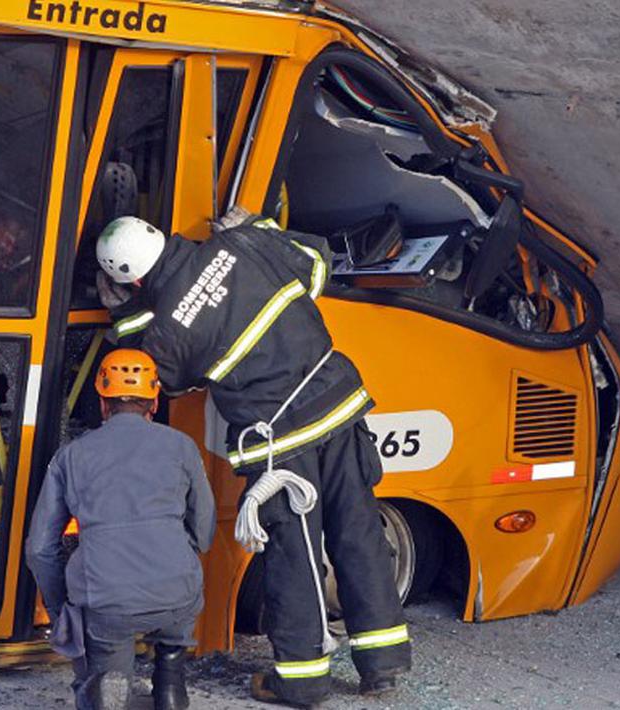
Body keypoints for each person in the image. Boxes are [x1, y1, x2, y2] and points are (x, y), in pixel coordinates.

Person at [96, 210, 411, 707]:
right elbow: (317, 267)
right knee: (359, 532)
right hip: (337, 406)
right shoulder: (243, 244)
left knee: (295, 558)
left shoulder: (169, 331)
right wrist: (261, 227)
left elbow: (166, 382)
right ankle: (384, 665)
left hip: (279, 443)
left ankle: (304, 681)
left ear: (132, 279)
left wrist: (126, 316)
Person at [26, 348, 216, 710]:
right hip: (179, 595)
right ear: (155, 401)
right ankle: (171, 682)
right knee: (175, 633)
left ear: (102, 403)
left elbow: (39, 549)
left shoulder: (71, 456)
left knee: (105, 674)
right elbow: (204, 532)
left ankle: (112, 683)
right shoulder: (182, 446)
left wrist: (60, 610)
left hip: (107, 601)